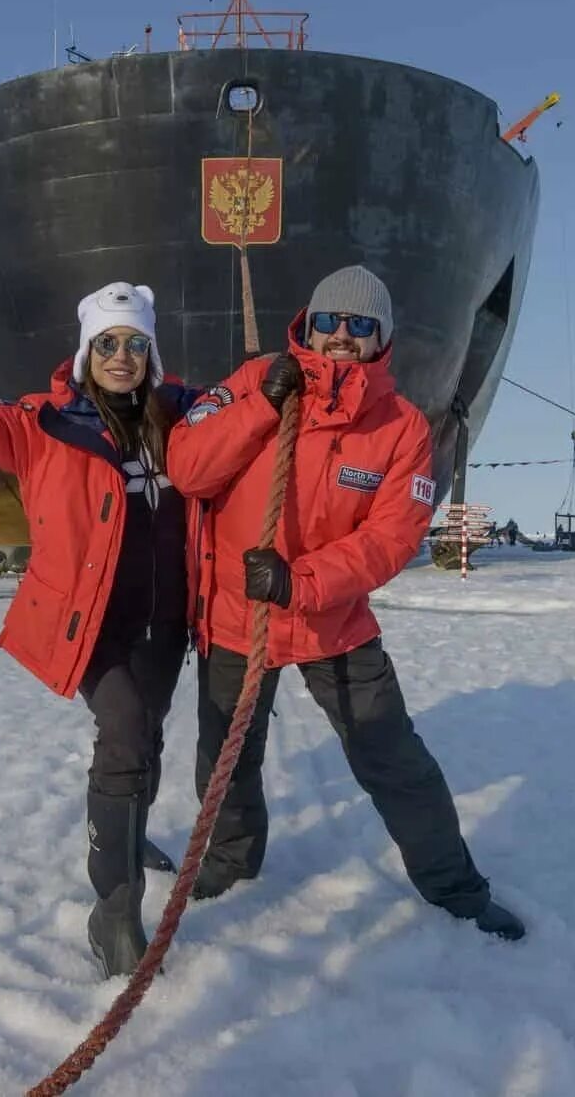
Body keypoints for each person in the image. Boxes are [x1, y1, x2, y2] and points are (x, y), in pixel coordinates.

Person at [0, 230, 206, 976]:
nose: (123, 357)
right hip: (95, 627)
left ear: (151, 355)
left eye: (135, 345)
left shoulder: (182, 416)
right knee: (122, 735)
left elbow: (249, 422)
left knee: (145, 737)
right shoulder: (41, 427)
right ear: (87, 355)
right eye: (108, 344)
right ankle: (113, 909)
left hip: (165, 621)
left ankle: (129, 828)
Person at [167, 264, 526, 942]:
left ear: (381, 338)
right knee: (225, 759)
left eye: (360, 326)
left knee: (393, 758)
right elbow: (188, 467)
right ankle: (231, 863)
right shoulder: (253, 381)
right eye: (329, 321)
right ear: (308, 323)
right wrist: (261, 408)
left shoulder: (401, 428)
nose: (340, 336)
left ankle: (455, 887)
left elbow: (391, 538)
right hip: (237, 615)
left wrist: (301, 582)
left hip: (332, 619)